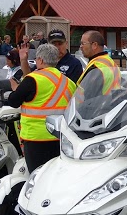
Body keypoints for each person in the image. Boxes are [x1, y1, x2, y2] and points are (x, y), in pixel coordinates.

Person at [7, 44, 77, 172]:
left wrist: (15, 89)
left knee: (36, 177)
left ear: (40, 60)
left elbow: (13, 101)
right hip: (59, 138)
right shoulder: (68, 82)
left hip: (36, 138)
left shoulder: (32, 79)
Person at [78, 30, 121, 94]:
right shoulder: (109, 61)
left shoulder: (95, 67)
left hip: (95, 103)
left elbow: (90, 95)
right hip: (110, 102)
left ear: (94, 45)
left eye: (83, 43)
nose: (81, 46)